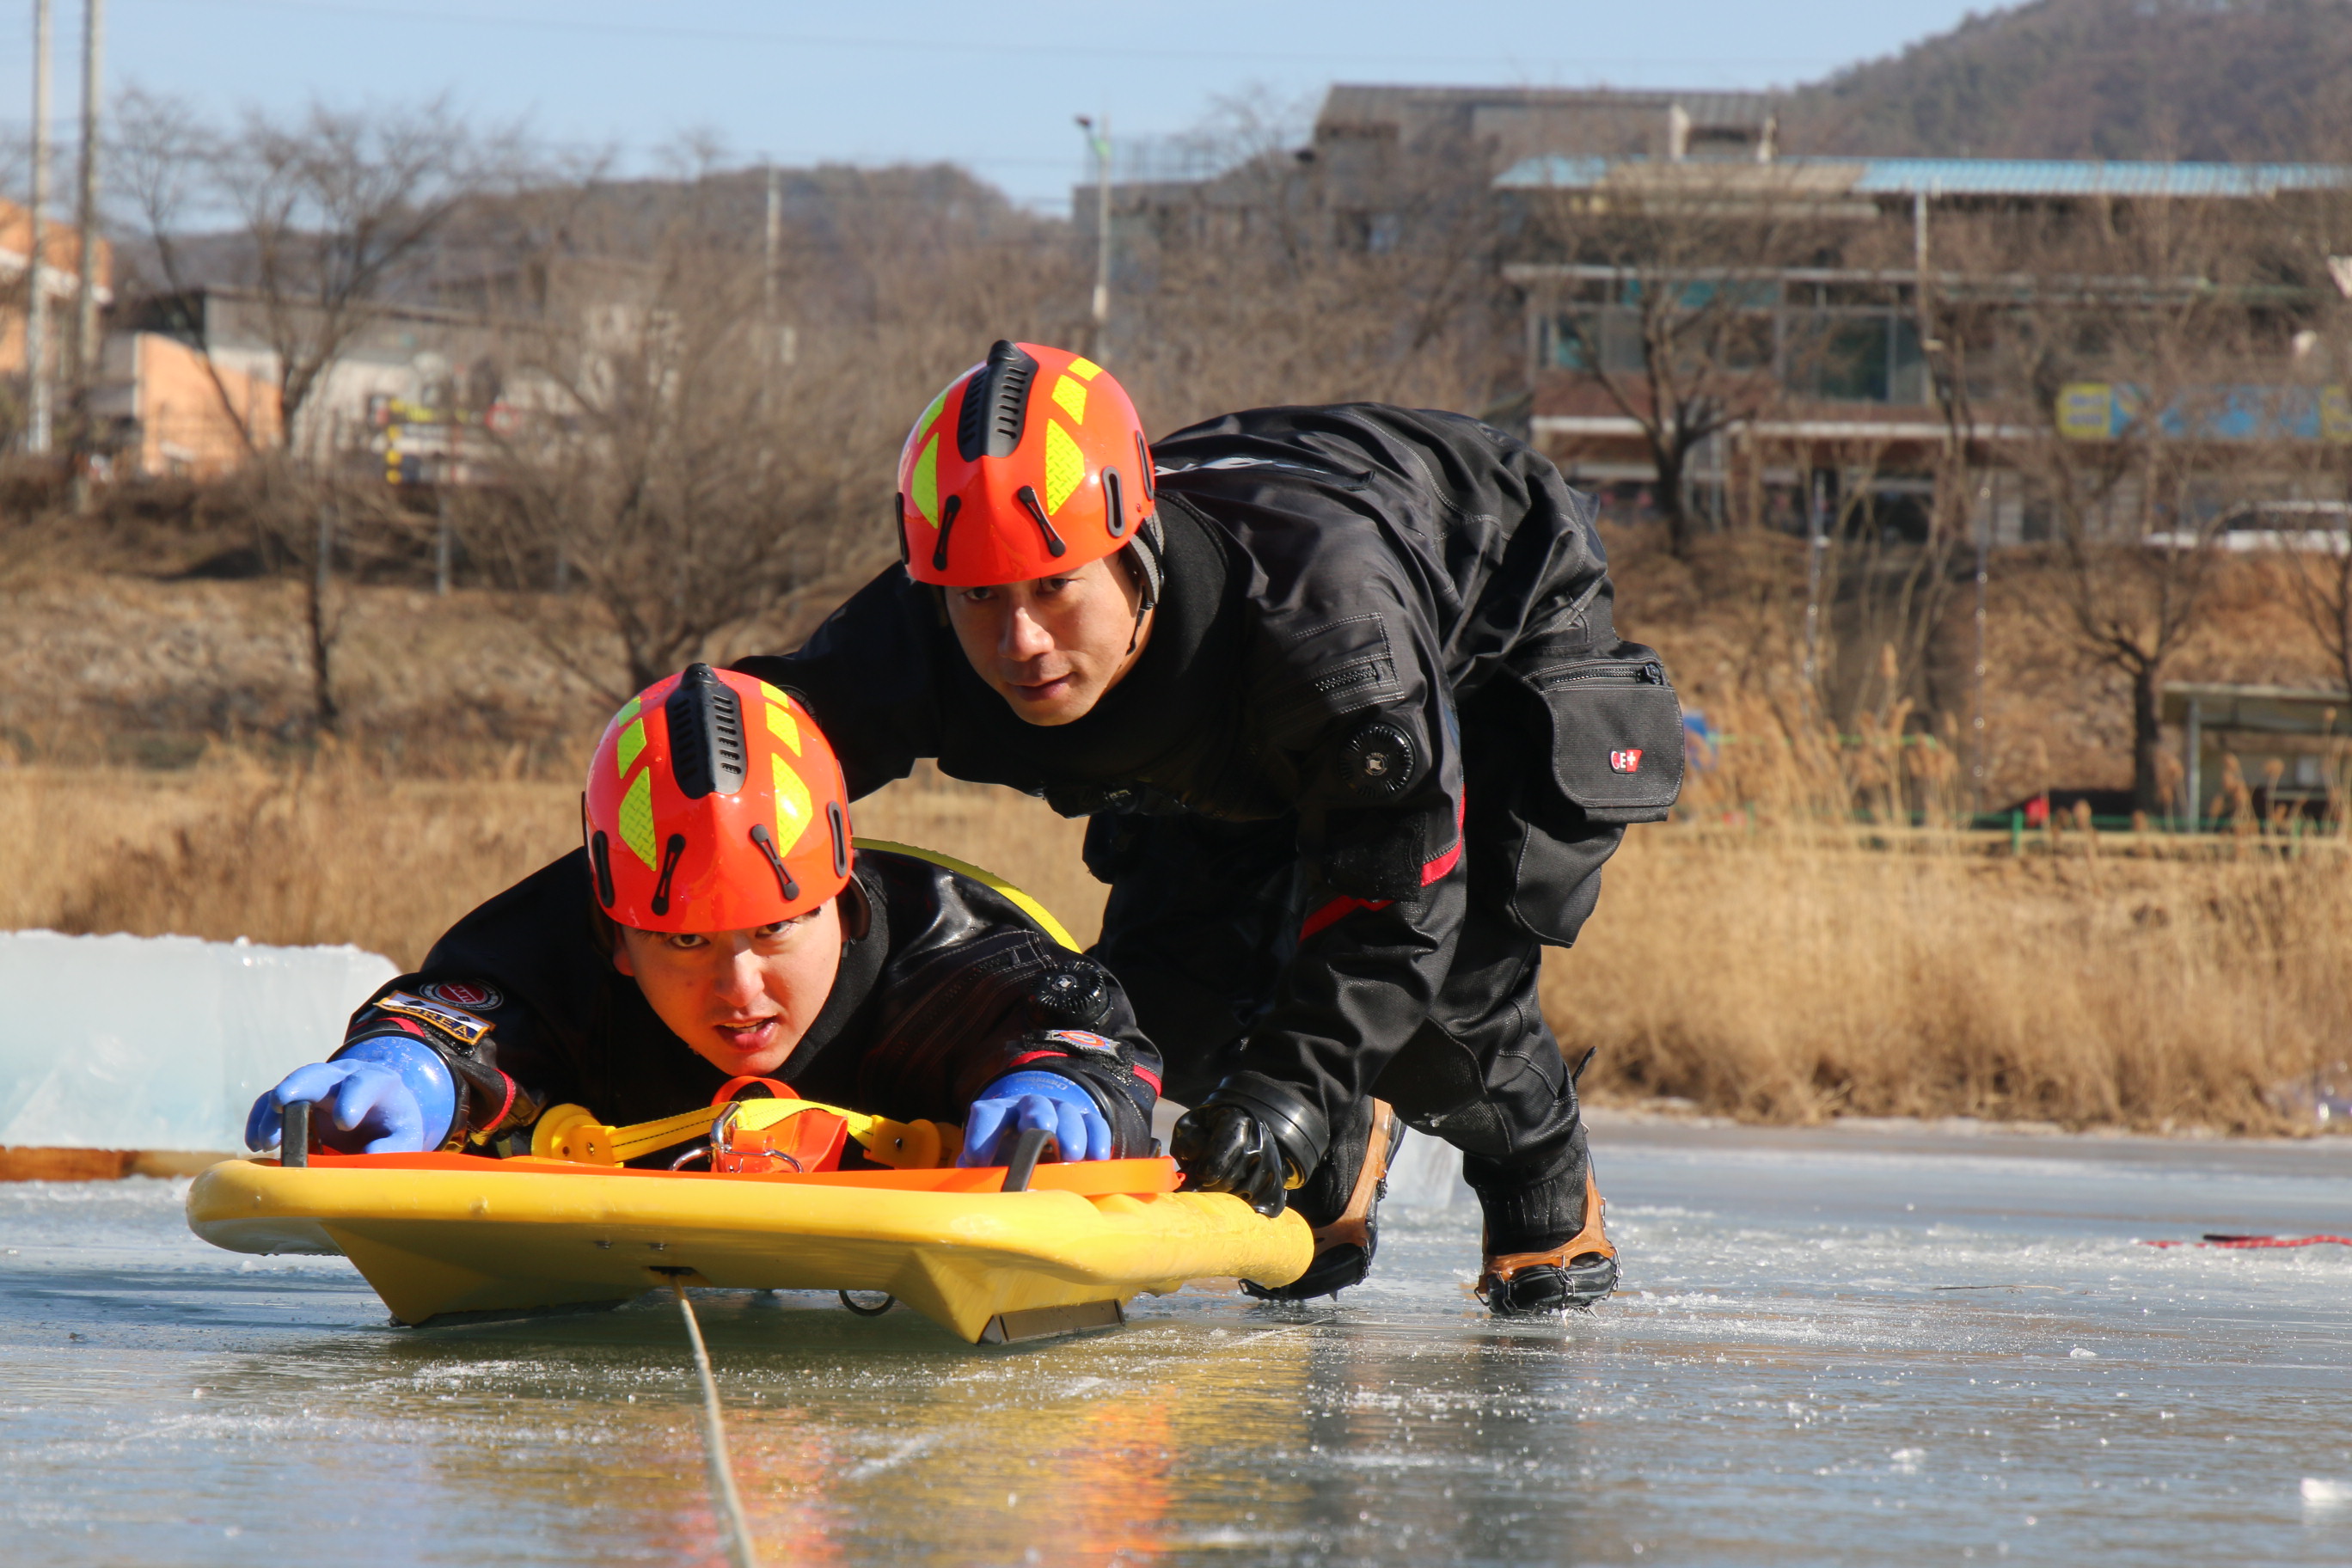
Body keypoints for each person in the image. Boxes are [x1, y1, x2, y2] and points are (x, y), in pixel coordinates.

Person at [735, 341, 1683, 1314]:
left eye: (1056, 586)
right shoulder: (928, 624)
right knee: (1162, 1023)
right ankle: (1346, 1130)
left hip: (1490, 606)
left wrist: (1285, 1099)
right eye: (980, 596)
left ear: (1134, 550)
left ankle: (1537, 1167)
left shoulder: (1331, 637)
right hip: (1248, 714)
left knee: (1437, 1021)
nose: (1020, 641)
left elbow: (1395, 912)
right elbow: (735, 753)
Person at [246, 664, 1160, 1171]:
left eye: (776, 930)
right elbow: (462, 1023)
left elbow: (1085, 1031)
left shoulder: (962, 962)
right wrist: (406, 1069)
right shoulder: (550, 947)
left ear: (841, 903)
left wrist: (1073, 1089)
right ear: (616, 937)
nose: (739, 988)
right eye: (686, 940)